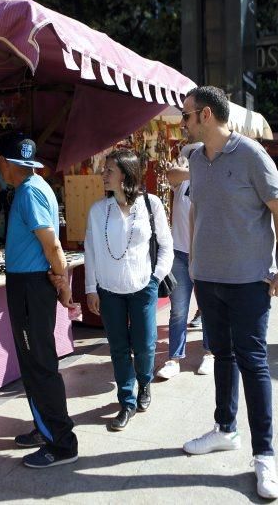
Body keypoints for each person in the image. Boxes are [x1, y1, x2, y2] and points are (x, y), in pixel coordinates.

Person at [179, 86, 278, 500]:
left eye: (186, 116)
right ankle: (225, 429)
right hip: (208, 279)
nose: (183, 124)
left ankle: (265, 456)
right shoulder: (195, 158)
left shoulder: (252, 155)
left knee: (253, 361)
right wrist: (194, 259)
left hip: (248, 282)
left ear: (206, 115)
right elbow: (196, 210)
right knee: (221, 354)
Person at [0, 134, 79, 468]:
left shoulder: (29, 192)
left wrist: (62, 284)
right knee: (34, 363)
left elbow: (52, 246)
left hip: (31, 286)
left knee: (39, 364)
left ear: (5, 162)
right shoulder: (36, 185)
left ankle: (62, 442)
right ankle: (44, 428)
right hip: (27, 283)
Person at [83, 149, 173, 431]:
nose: (103, 174)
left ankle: (144, 383)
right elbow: (91, 251)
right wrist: (90, 288)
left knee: (146, 344)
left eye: (109, 170)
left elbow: (167, 244)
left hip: (142, 287)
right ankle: (127, 401)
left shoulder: (151, 204)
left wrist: (155, 279)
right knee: (119, 348)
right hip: (109, 290)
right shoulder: (99, 210)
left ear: (126, 173)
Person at [156, 144, 213, 379]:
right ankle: (174, 359)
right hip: (179, 254)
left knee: (208, 309)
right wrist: (196, 169)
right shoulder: (182, 180)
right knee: (178, 311)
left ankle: (210, 354)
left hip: (207, 255)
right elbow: (171, 175)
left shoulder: (211, 181)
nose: (184, 161)